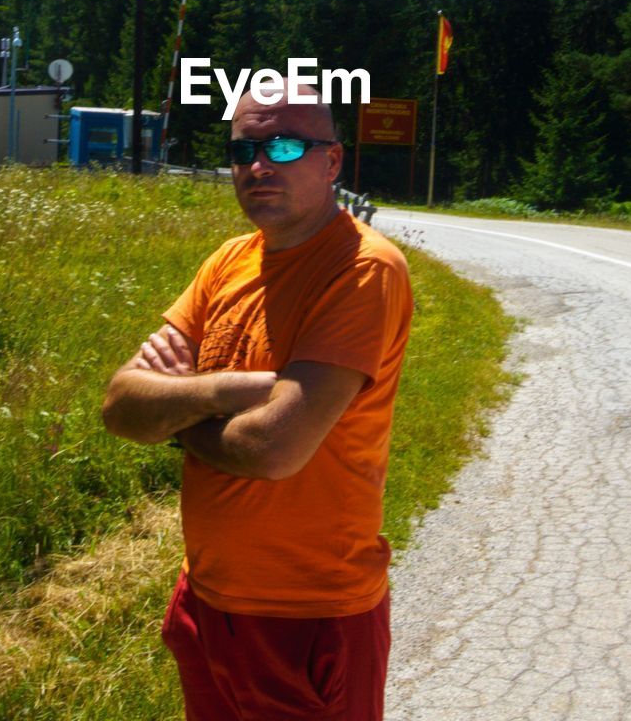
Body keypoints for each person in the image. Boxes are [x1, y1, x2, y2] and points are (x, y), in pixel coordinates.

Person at [101, 84, 413, 720]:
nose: (259, 165)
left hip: (309, 615)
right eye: (245, 148)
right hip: (207, 600)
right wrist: (229, 390)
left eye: (286, 144)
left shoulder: (362, 270)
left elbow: (273, 449)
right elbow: (120, 405)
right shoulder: (228, 262)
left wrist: (178, 415)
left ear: (332, 163)